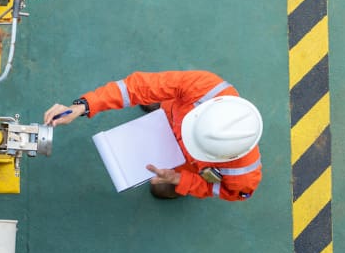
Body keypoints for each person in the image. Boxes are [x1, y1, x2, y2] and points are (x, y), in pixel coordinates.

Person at [43, 70, 263, 200]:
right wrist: (84, 106)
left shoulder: (243, 177)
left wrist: (180, 180)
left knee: (160, 188)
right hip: (173, 112)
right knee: (152, 94)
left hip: (182, 165)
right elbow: (137, 87)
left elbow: (224, 191)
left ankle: (164, 109)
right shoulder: (204, 87)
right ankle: (163, 105)